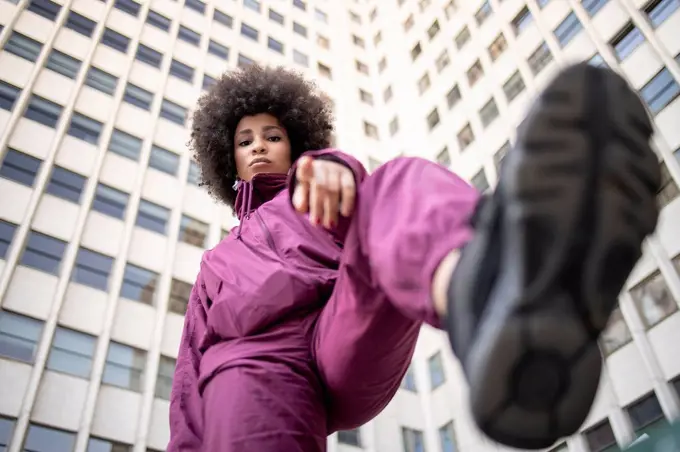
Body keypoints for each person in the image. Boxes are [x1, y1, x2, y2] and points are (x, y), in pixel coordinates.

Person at [168, 63, 660, 452]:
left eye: (273, 136)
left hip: (344, 330)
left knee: (395, 180)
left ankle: (485, 291)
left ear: (295, 140)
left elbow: (372, 212)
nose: (259, 147)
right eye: (245, 140)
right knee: (237, 378)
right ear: (227, 158)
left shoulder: (314, 185)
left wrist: (333, 169)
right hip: (258, 367)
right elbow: (189, 390)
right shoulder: (215, 263)